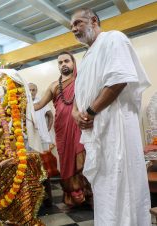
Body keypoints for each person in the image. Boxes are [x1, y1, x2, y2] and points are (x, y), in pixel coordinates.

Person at [71, 8, 151, 225]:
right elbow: (80, 92)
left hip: (116, 127)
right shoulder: (87, 56)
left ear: (94, 20)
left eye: (78, 23)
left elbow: (119, 79)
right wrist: (75, 112)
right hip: (96, 129)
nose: (74, 29)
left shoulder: (114, 38)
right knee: (105, 187)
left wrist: (89, 112)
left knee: (121, 182)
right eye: (71, 26)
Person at [34, 52, 92, 207]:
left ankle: (90, 195)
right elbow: (39, 105)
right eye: (60, 62)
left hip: (79, 125)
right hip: (61, 128)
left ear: (73, 62)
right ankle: (72, 197)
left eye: (67, 61)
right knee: (66, 160)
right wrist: (21, 105)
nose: (63, 64)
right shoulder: (54, 85)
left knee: (84, 158)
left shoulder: (82, 80)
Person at [28, 83, 55, 207]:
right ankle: (34, 198)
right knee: (32, 169)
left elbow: (50, 115)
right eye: (30, 90)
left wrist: (47, 129)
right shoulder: (24, 102)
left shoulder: (41, 102)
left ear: (36, 90)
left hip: (43, 139)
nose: (32, 92)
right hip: (29, 141)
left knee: (45, 169)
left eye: (34, 90)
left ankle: (48, 199)